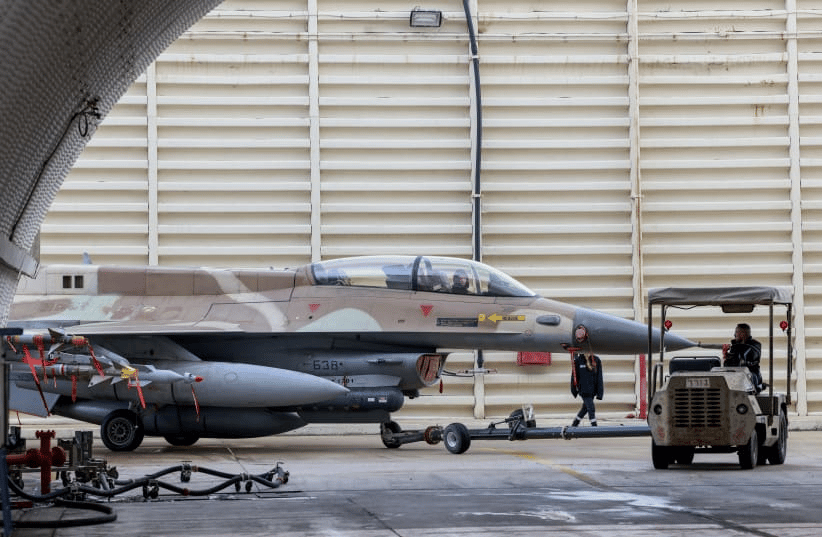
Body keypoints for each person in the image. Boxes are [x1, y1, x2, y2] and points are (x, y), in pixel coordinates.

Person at [724, 323, 762, 391]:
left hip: (751, 380)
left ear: (743, 334)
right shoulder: (735, 347)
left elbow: (744, 363)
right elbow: (729, 366)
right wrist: (726, 356)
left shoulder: (754, 348)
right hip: (737, 379)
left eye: (737, 332)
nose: (735, 335)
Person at [570, 352, 604, 427]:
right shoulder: (578, 361)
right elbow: (574, 377)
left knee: (585, 408)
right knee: (591, 408)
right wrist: (574, 390)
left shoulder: (596, 360)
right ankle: (594, 425)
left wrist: (599, 393)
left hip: (592, 391)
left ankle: (575, 423)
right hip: (584, 391)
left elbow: (599, 377)